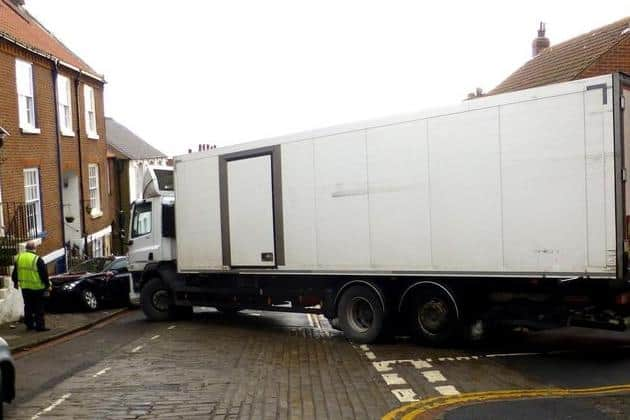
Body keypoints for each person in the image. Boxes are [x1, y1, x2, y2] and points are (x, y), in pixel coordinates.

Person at [12, 241, 50, 332]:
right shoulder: (37, 259)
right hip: (38, 288)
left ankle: (29, 325)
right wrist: (47, 285)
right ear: (34, 248)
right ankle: (40, 326)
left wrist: (15, 283)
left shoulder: (19, 258)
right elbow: (44, 274)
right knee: (39, 308)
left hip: (25, 287)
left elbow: (15, 273)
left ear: (26, 248)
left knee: (27, 306)